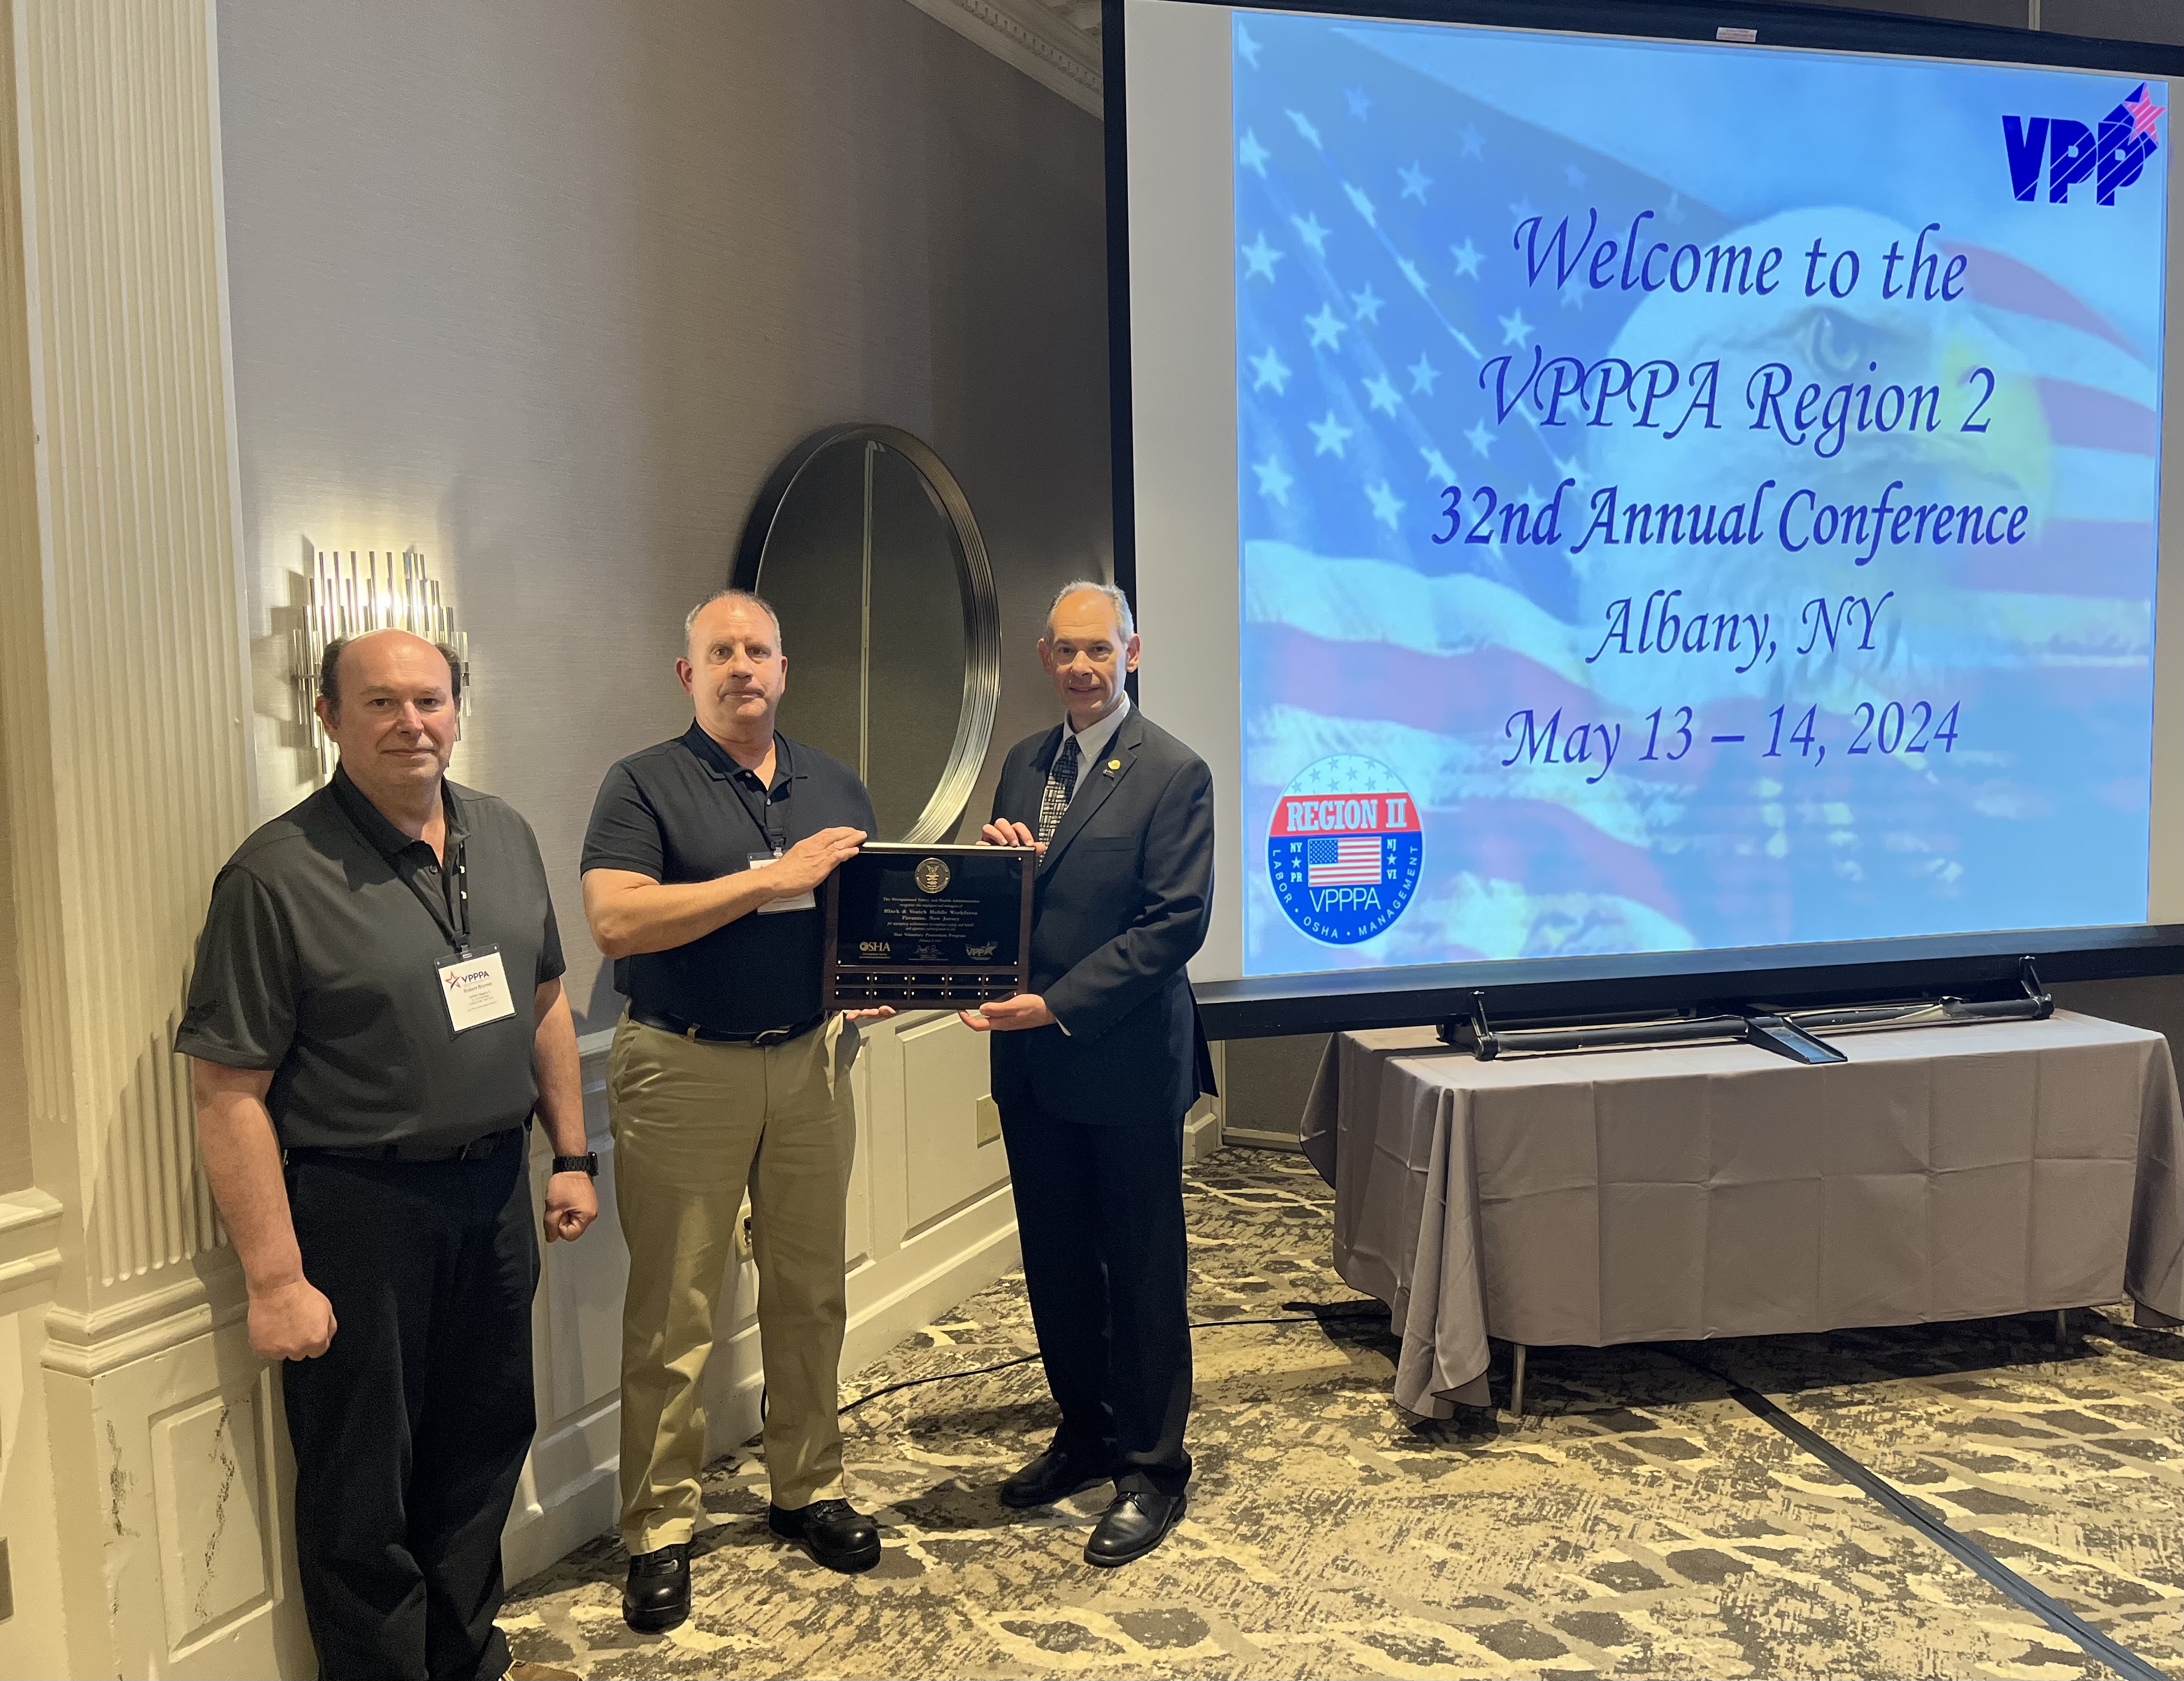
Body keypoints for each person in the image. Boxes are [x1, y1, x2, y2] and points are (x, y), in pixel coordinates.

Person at [180, 629, 598, 1681]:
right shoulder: (273, 875)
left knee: (484, 1442)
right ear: (328, 718)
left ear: (459, 710)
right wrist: (274, 1277)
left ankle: (465, 1658)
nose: (411, 723)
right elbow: (227, 1091)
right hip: (357, 1208)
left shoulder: (503, 835)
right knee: (362, 1484)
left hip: (495, 1191)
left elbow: (545, 998)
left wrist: (572, 1152)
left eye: (431, 700)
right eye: (379, 704)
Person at [581, 588, 893, 1632]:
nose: (741, 667)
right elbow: (617, 920)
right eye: (720, 651)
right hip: (683, 1069)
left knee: (810, 1292)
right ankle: (659, 1528)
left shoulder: (836, 784)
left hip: (810, 1064)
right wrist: (774, 880)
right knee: (675, 1312)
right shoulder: (643, 783)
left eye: (758, 649)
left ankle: (808, 1484)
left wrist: (870, 977)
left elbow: (860, 924)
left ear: (784, 668)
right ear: (689, 675)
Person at [960, 579, 1216, 1567]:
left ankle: (1153, 1467)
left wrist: (1058, 1004)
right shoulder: (1024, 765)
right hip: (1030, 1069)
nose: (1080, 666)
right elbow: (1019, 900)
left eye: (1098, 650)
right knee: (1057, 1264)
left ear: (1131, 652)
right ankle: (1085, 1431)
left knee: (1142, 1270)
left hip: (1121, 1064)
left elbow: (1172, 924)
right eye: (1065, 650)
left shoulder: (1173, 770)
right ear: (1043, 656)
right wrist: (996, 870)